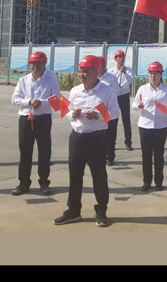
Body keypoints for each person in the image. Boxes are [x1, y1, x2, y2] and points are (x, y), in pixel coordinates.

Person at [53, 55, 119, 227]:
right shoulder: (75, 91)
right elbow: (66, 110)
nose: (81, 74)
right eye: (80, 71)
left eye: (85, 71)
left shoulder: (107, 91)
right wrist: (72, 114)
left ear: (96, 72)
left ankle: (101, 211)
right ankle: (73, 210)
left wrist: (97, 115)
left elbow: (115, 112)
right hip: (77, 137)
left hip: (97, 138)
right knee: (75, 175)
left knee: (99, 176)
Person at [10, 51, 61, 196]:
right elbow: (14, 99)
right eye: (33, 63)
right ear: (29, 64)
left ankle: (44, 183)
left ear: (45, 64)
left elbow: (57, 100)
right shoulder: (23, 80)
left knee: (44, 151)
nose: (35, 66)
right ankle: (23, 183)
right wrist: (29, 102)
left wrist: (41, 102)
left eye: (39, 63)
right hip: (26, 119)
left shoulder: (51, 79)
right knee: (25, 152)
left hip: (43, 119)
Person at [132, 62, 167, 192]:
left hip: (161, 126)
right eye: (150, 73)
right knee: (146, 156)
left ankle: (159, 182)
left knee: (159, 156)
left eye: (155, 73)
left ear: (161, 75)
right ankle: (146, 182)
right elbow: (134, 105)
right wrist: (138, 106)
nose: (152, 76)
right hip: (145, 126)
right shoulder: (143, 89)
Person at [108, 50, 135, 151]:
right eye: (119, 57)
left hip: (124, 96)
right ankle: (112, 143)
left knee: (126, 120)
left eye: (122, 57)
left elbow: (132, 81)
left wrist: (125, 73)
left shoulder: (129, 70)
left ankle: (128, 142)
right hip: (115, 97)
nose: (121, 59)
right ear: (115, 59)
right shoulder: (111, 71)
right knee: (113, 120)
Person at [98, 56, 120, 166]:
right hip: (97, 111)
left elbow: (117, 91)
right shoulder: (92, 78)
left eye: (101, 65)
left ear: (104, 66)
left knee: (110, 135)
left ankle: (110, 157)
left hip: (109, 109)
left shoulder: (111, 78)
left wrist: (106, 93)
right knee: (98, 135)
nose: (99, 67)